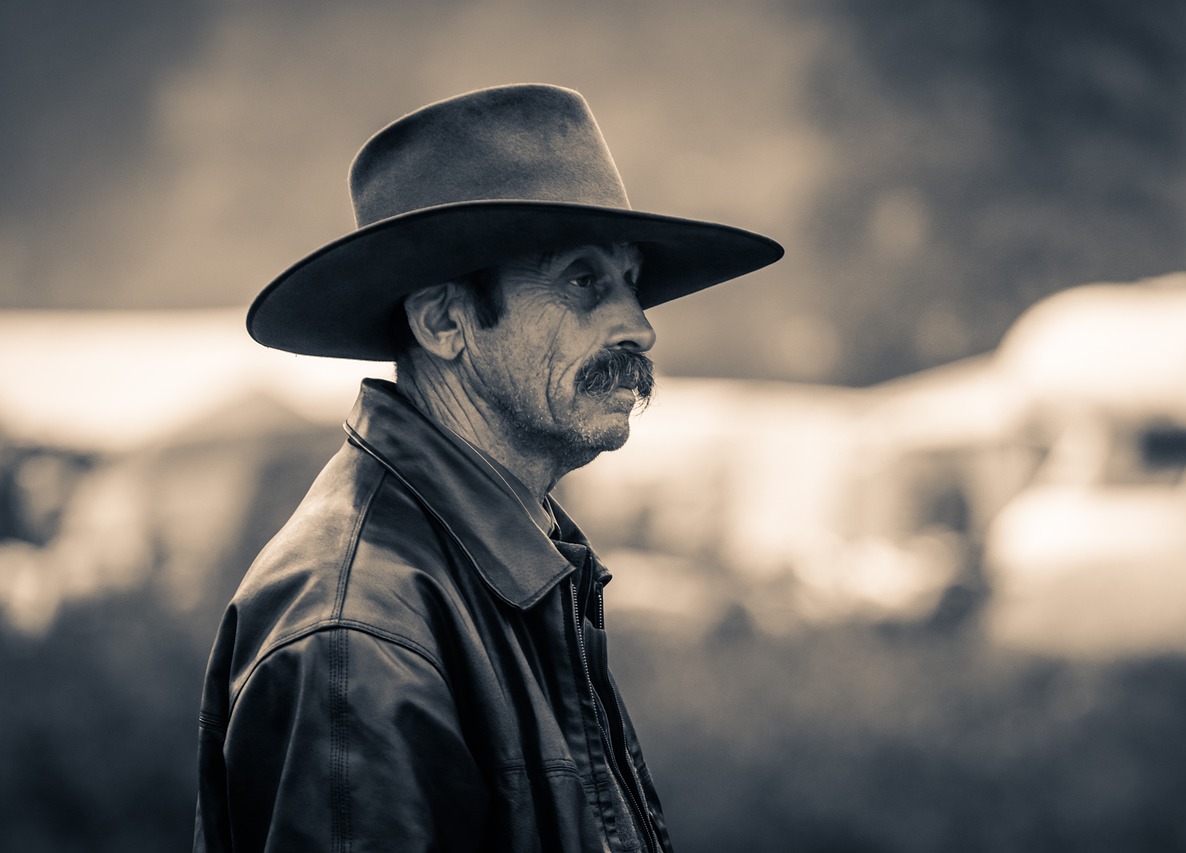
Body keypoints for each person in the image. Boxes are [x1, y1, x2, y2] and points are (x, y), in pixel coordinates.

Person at [193, 83, 782, 852]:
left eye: (631, 282)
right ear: (445, 320)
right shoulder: (357, 631)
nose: (639, 327)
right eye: (583, 281)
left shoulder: (502, 565)